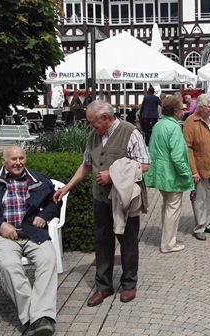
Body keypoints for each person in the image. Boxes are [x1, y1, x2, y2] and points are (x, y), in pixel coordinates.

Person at [53, 100, 150, 307]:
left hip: (124, 199)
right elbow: (87, 165)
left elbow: (144, 165)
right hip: (100, 198)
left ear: (105, 118)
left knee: (128, 241)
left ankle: (129, 284)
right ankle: (103, 286)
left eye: (92, 122)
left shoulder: (130, 132)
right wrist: (66, 188)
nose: (90, 126)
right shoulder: (93, 137)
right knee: (102, 242)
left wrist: (113, 175)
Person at [0, 145, 61, 336]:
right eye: (13, 159)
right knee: (8, 265)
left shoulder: (38, 179)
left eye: (21, 158)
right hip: (3, 236)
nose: (18, 163)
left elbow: (55, 201)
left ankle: (38, 318)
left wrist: (45, 216)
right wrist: (0, 225)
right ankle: (36, 319)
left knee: (48, 259)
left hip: (32, 234)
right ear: (3, 161)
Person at [145, 96, 194, 253]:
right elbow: (177, 157)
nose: (183, 111)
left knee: (166, 205)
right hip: (171, 174)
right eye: (181, 109)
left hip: (160, 172)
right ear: (175, 111)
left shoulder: (159, 125)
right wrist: (187, 174)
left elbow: (152, 149)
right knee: (172, 208)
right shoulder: (173, 128)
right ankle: (168, 243)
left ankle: (166, 239)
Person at [183, 94, 210, 241]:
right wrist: (193, 171)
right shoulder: (191, 121)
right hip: (200, 166)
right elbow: (187, 147)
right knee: (200, 198)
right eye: (209, 107)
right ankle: (200, 226)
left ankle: (209, 222)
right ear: (200, 108)